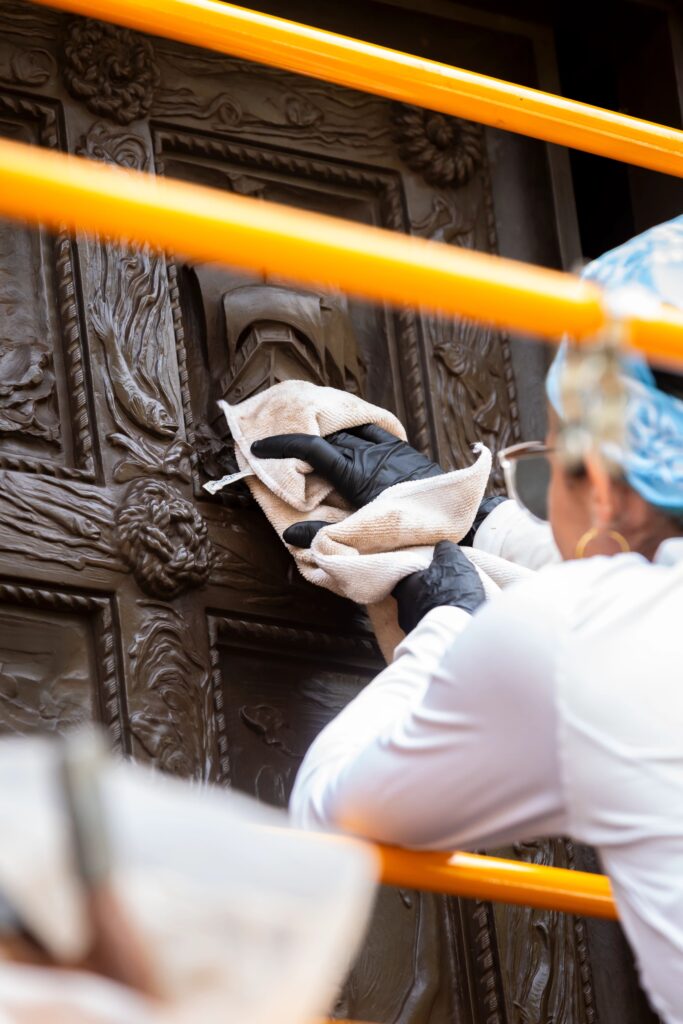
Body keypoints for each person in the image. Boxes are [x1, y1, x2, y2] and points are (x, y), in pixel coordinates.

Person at [250, 215, 683, 1023]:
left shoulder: (583, 641)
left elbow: (335, 806)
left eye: (545, 464)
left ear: (610, 489)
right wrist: (480, 518)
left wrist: (446, 626)